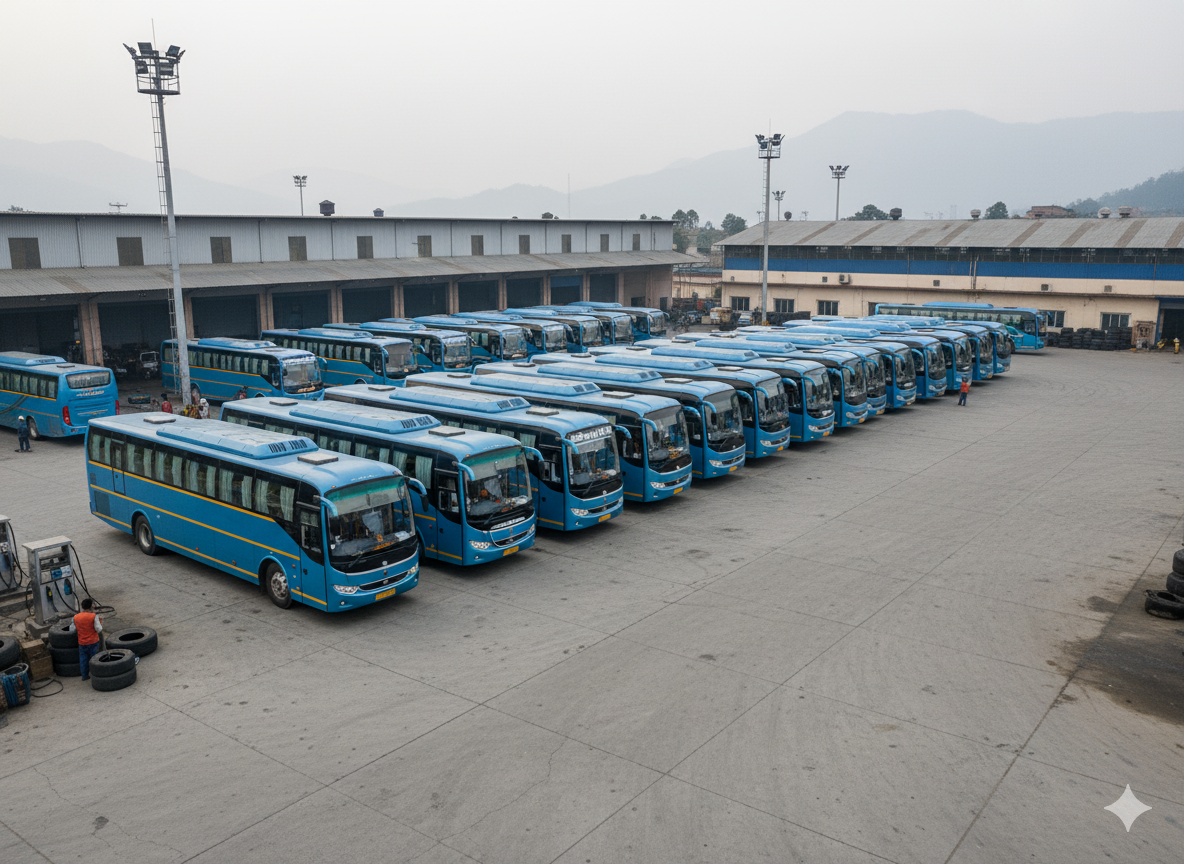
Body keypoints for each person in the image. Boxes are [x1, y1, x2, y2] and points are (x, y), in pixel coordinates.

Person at [70, 598, 103, 681]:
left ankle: (84, 676)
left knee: (83, 659)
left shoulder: (75, 617)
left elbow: (72, 629)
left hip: (82, 642)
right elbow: (99, 629)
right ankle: (96, 675)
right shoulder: (93, 616)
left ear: (82, 606)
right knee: (95, 659)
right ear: (90, 607)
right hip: (93, 641)